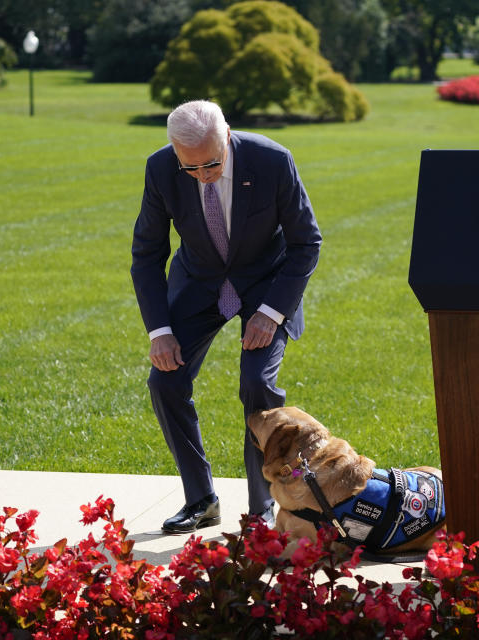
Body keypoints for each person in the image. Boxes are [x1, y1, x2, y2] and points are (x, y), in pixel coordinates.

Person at [131, 100, 322, 534]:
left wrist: (271, 314)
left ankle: (261, 509)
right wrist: (160, 331)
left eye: (212, 163)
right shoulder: (161, 169)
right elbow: (146, 255)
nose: (203, 175)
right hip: (198, 281)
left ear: (229, 134)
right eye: (191, 168)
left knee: (257, 382)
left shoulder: (273, 160)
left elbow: (306, 242)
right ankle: (200, 500)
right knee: (165, 381)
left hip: (266, 286)